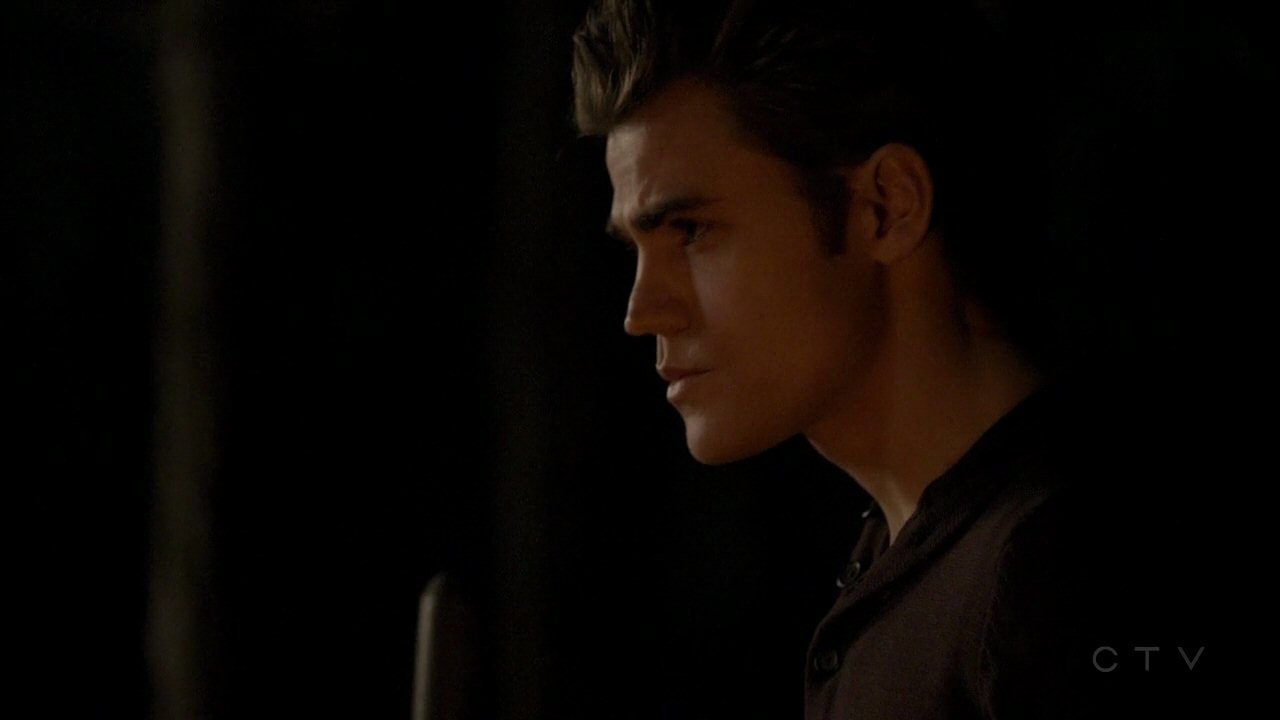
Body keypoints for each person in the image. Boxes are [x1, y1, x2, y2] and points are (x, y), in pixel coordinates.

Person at [572, 1, 1216, 717]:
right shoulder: (917, 558)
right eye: (637, 250)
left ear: (887, 206)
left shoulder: (1065, 577)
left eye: (691, 232)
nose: (641, 313)